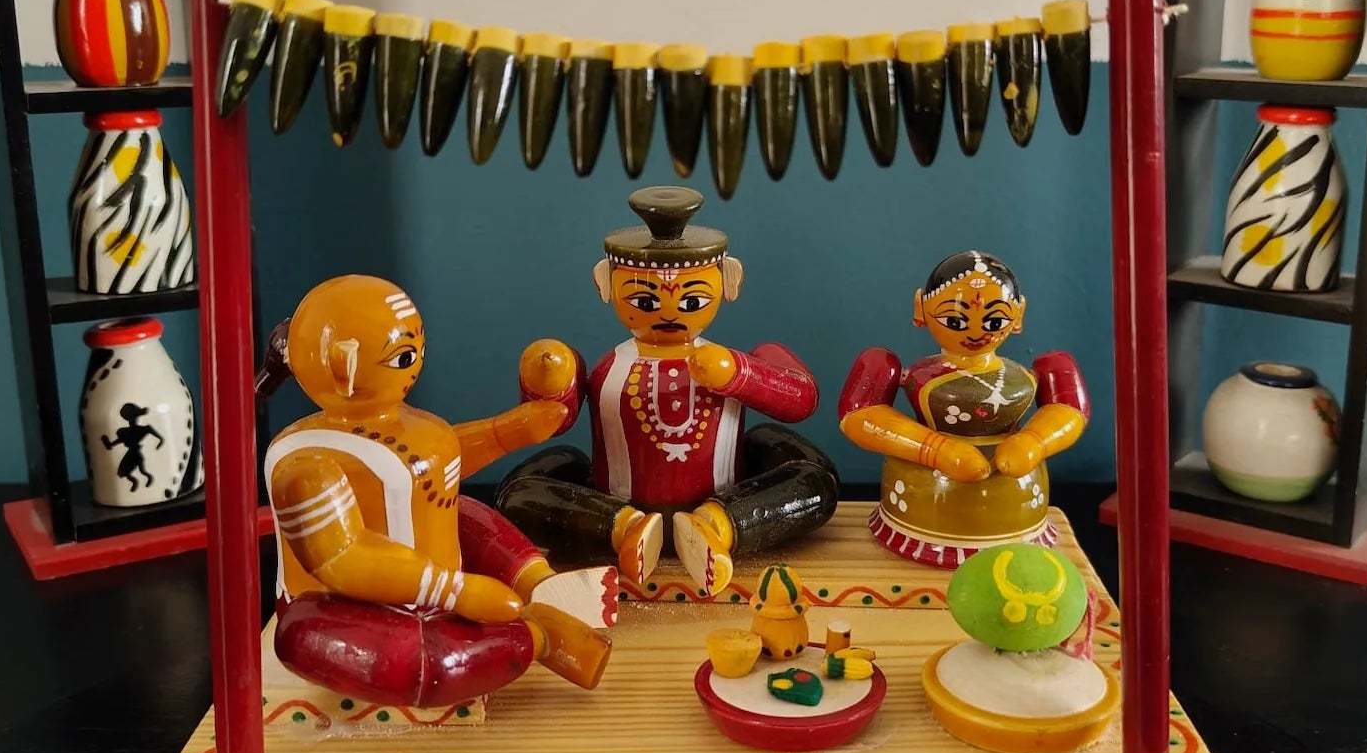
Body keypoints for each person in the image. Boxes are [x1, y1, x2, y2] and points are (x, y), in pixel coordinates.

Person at [260, 275, 614, 708]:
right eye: (404, 356)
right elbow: (344, 560)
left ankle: (539, 584)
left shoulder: (413, 427)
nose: (415, 366)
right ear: (343, 367)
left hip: (438, 585)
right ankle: (534, 637)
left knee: (458, 508)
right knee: (383, 652)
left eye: (418, 349)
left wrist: (509, 431)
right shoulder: (305, 464)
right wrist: (455, 591)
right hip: (357, 610)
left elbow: (436, 464)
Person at [497, 186, 838, 597]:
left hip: (726, 497)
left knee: (814, 482)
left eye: (692, 300)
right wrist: (548, 375)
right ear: (606, 284)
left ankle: (715, 525)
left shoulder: (733, 363)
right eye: (644, 300)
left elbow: (801, 400)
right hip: (616, 501)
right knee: (520, 492)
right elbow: (550, 420)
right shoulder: (607, 369)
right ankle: (625, 527)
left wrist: (740, 374)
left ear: (729, 282)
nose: (670, 313)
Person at [838, 250, 1089, 569]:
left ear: (1019, 314)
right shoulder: (892, 368)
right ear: (921, 308)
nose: (975, 333)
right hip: (923, 492)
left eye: (994, 320)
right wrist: (936, 450)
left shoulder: (1040, 372)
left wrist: (1033, 443)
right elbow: (858, 415)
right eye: (954, 320)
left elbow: (1069, 408)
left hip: (1019, 500)